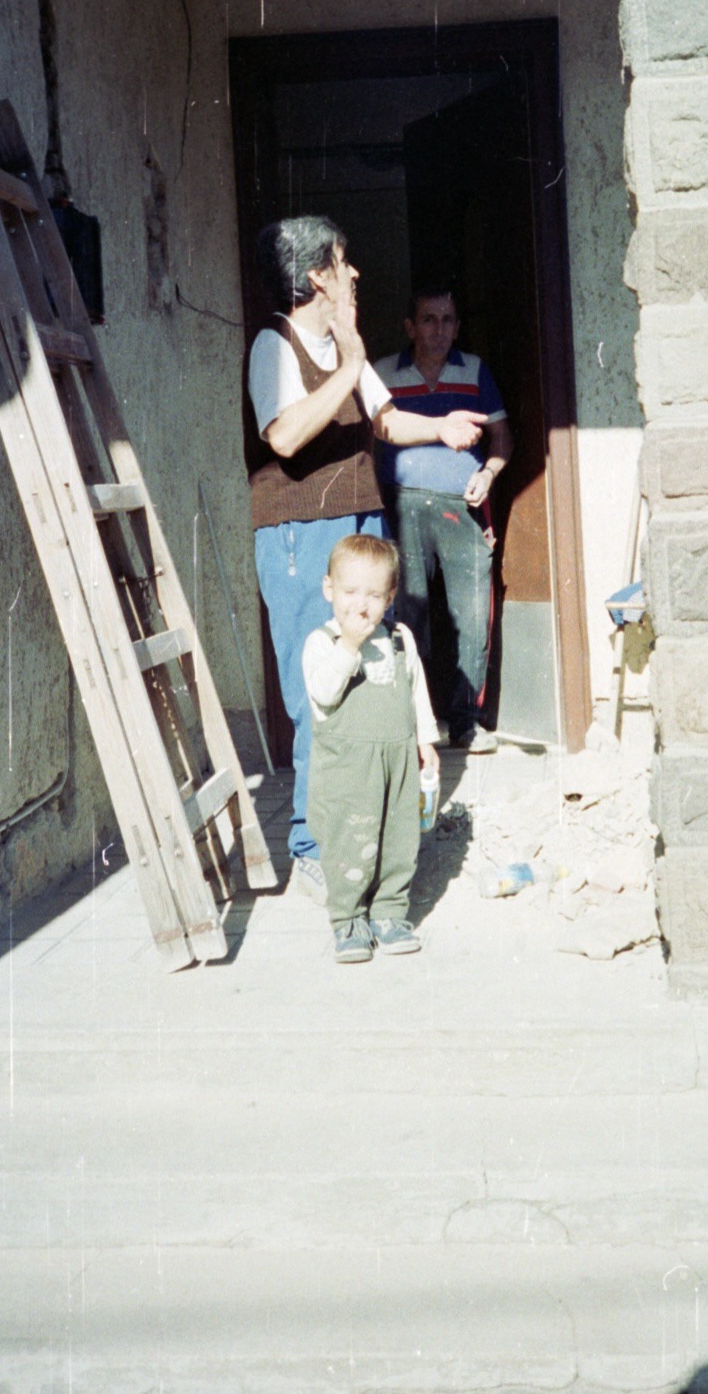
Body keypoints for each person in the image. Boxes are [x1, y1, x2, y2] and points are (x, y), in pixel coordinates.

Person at [246, 218, 484, 901]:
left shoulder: (342, 346)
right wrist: (349, 366)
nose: (355, 275)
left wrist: (437, 426)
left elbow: (382, 419)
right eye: (344, 264)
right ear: (317, 275)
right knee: (315, 689)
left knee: (369, 683)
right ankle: (311, 842)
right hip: (300, 533)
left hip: (358, 524)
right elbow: (286, 434)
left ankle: (364, 827)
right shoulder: (275, 344)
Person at [374, 288, 512, 753]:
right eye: (429, 320)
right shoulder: (382, 374)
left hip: (462, 505)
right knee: (406, 612)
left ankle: (466, 723)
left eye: (448, 320)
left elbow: (502, 439)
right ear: (410, 327)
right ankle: (411, 722)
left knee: (471, 613)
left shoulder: (473, 371)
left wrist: (489, 474)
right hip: (403, 504)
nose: (440, 330)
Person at [302, 533, 437, 962]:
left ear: (390, 596)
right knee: (350, 840)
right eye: (350, 592)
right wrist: (350, 645)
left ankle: (391, 912)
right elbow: (323, 693)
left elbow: (417, 691)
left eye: (374, 595)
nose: (361, 606)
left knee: (399, 839)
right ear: (329, 590)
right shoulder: (322, 642)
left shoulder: (399, 638)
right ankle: (348, 919)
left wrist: (426, 740)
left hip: (397, 760)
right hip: (347, 769)